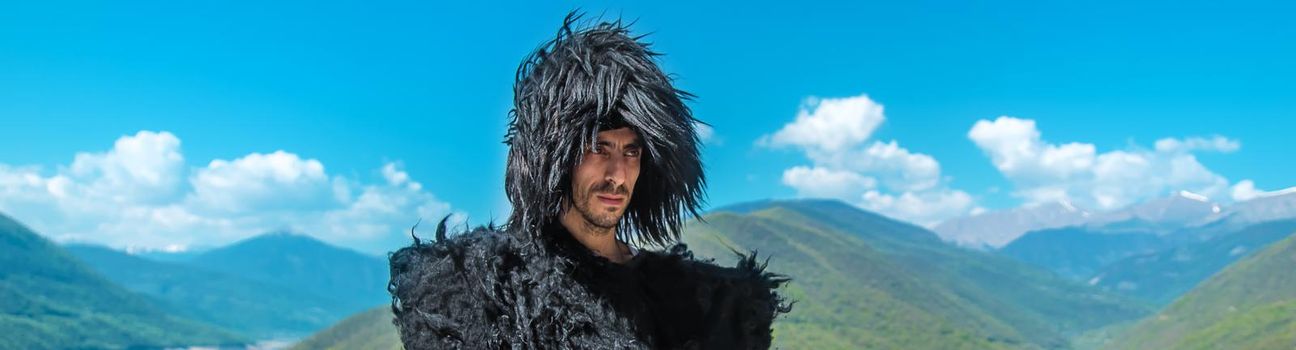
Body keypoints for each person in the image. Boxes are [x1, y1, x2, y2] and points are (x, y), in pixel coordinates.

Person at [387, 13, 790, 349]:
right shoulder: (478, 293)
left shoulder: (702, 308)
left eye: (631, 151)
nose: (617, 174)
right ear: (557, 157)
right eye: (600, 148)